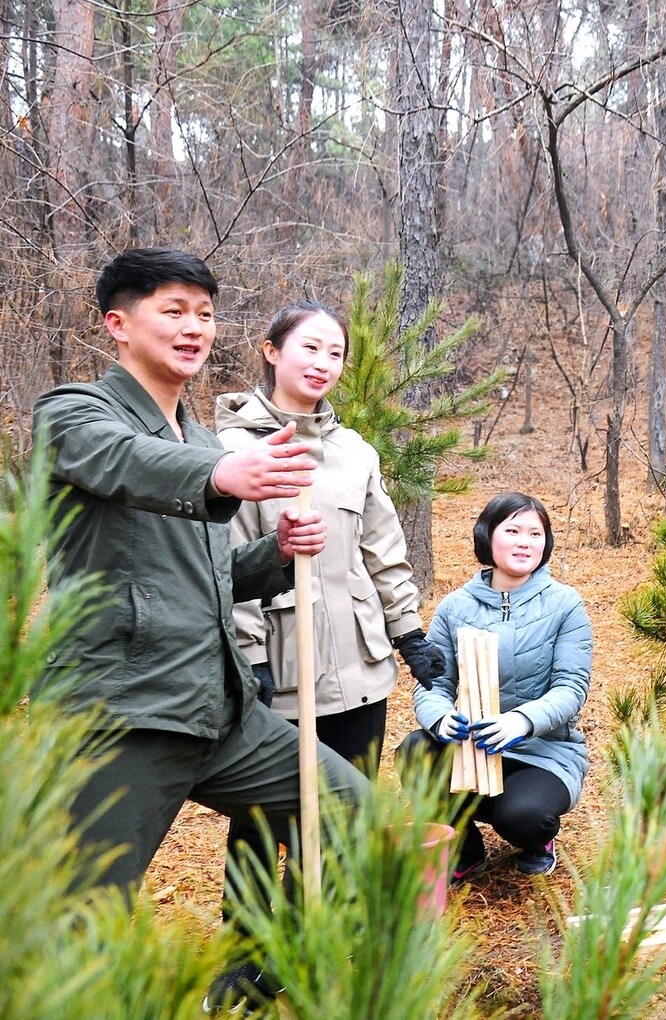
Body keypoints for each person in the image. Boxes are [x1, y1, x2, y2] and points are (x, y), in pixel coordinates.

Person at [31, 248, 369, 1013]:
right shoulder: (73, 412)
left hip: (221, 711)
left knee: (359, 814)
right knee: (81, 919)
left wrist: (276, 556)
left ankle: (253, 974)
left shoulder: (199, 438)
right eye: (173, 310)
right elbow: (121, 461)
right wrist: (218, 479)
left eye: (206, 314)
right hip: (124, 716)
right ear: (118, 325)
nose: (195, 328)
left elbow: (212, 581)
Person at [213, 302, 445, 947]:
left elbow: (384, 552)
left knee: (348, 808)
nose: (323, 364)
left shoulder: (354, 454)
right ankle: (249, 947)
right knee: (261, 815)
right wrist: (248, 658)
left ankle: (323, 934)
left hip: (359, 667)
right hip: (282, 670)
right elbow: (224, 569)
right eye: (309, 348)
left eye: (336, 354)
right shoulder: (231, 453)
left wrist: (410, 634)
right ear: (270, 350)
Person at [397, 493, 592, 879]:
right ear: (488, 536)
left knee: (524, 818)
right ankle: (464, 850)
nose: (525, 541)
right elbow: (434, 681)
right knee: (416, 750)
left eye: (535, 533)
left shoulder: (565, 604)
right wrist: (440, 719)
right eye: (513, 530)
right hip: (470, 746)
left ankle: (537, 839)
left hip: (541, 750)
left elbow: (571, 687)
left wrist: (520, 722)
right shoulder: (456, 606)